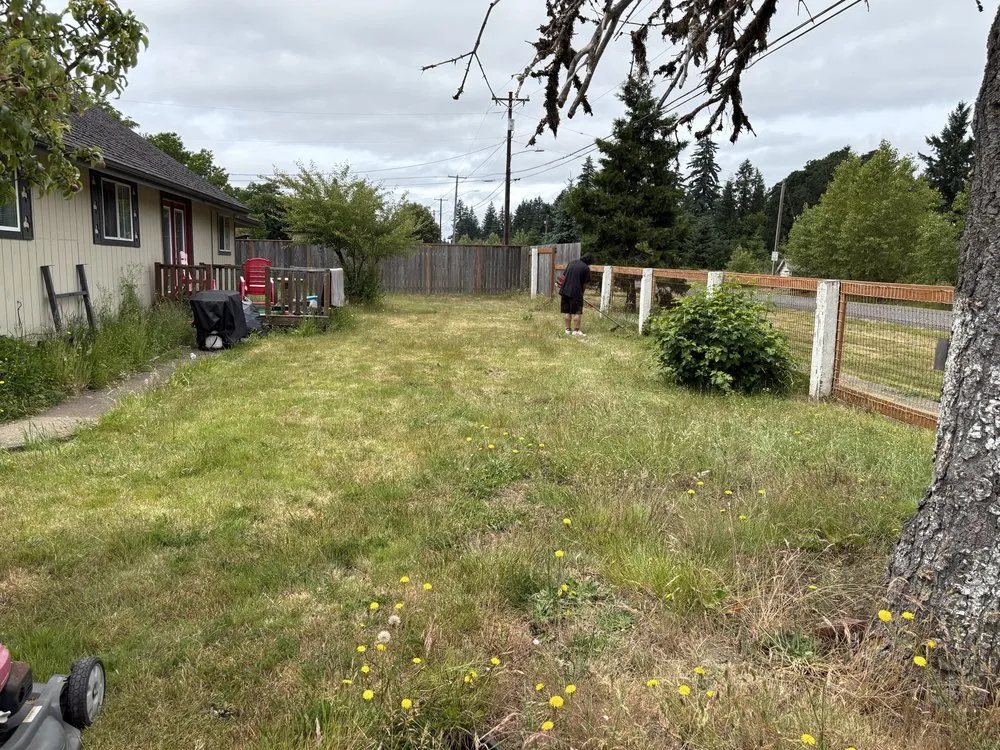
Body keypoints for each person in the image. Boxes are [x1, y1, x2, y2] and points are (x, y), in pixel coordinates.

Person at [558, 253, 594, 337]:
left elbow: (563, 276)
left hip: (564, 291)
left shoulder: (571, 263)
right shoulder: (585, 268)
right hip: (576, 292)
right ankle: (576, 331)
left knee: (567, 311)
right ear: (589, 261)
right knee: (577, 311)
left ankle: (567, 330)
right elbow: (585, 284)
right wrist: (582, 293)